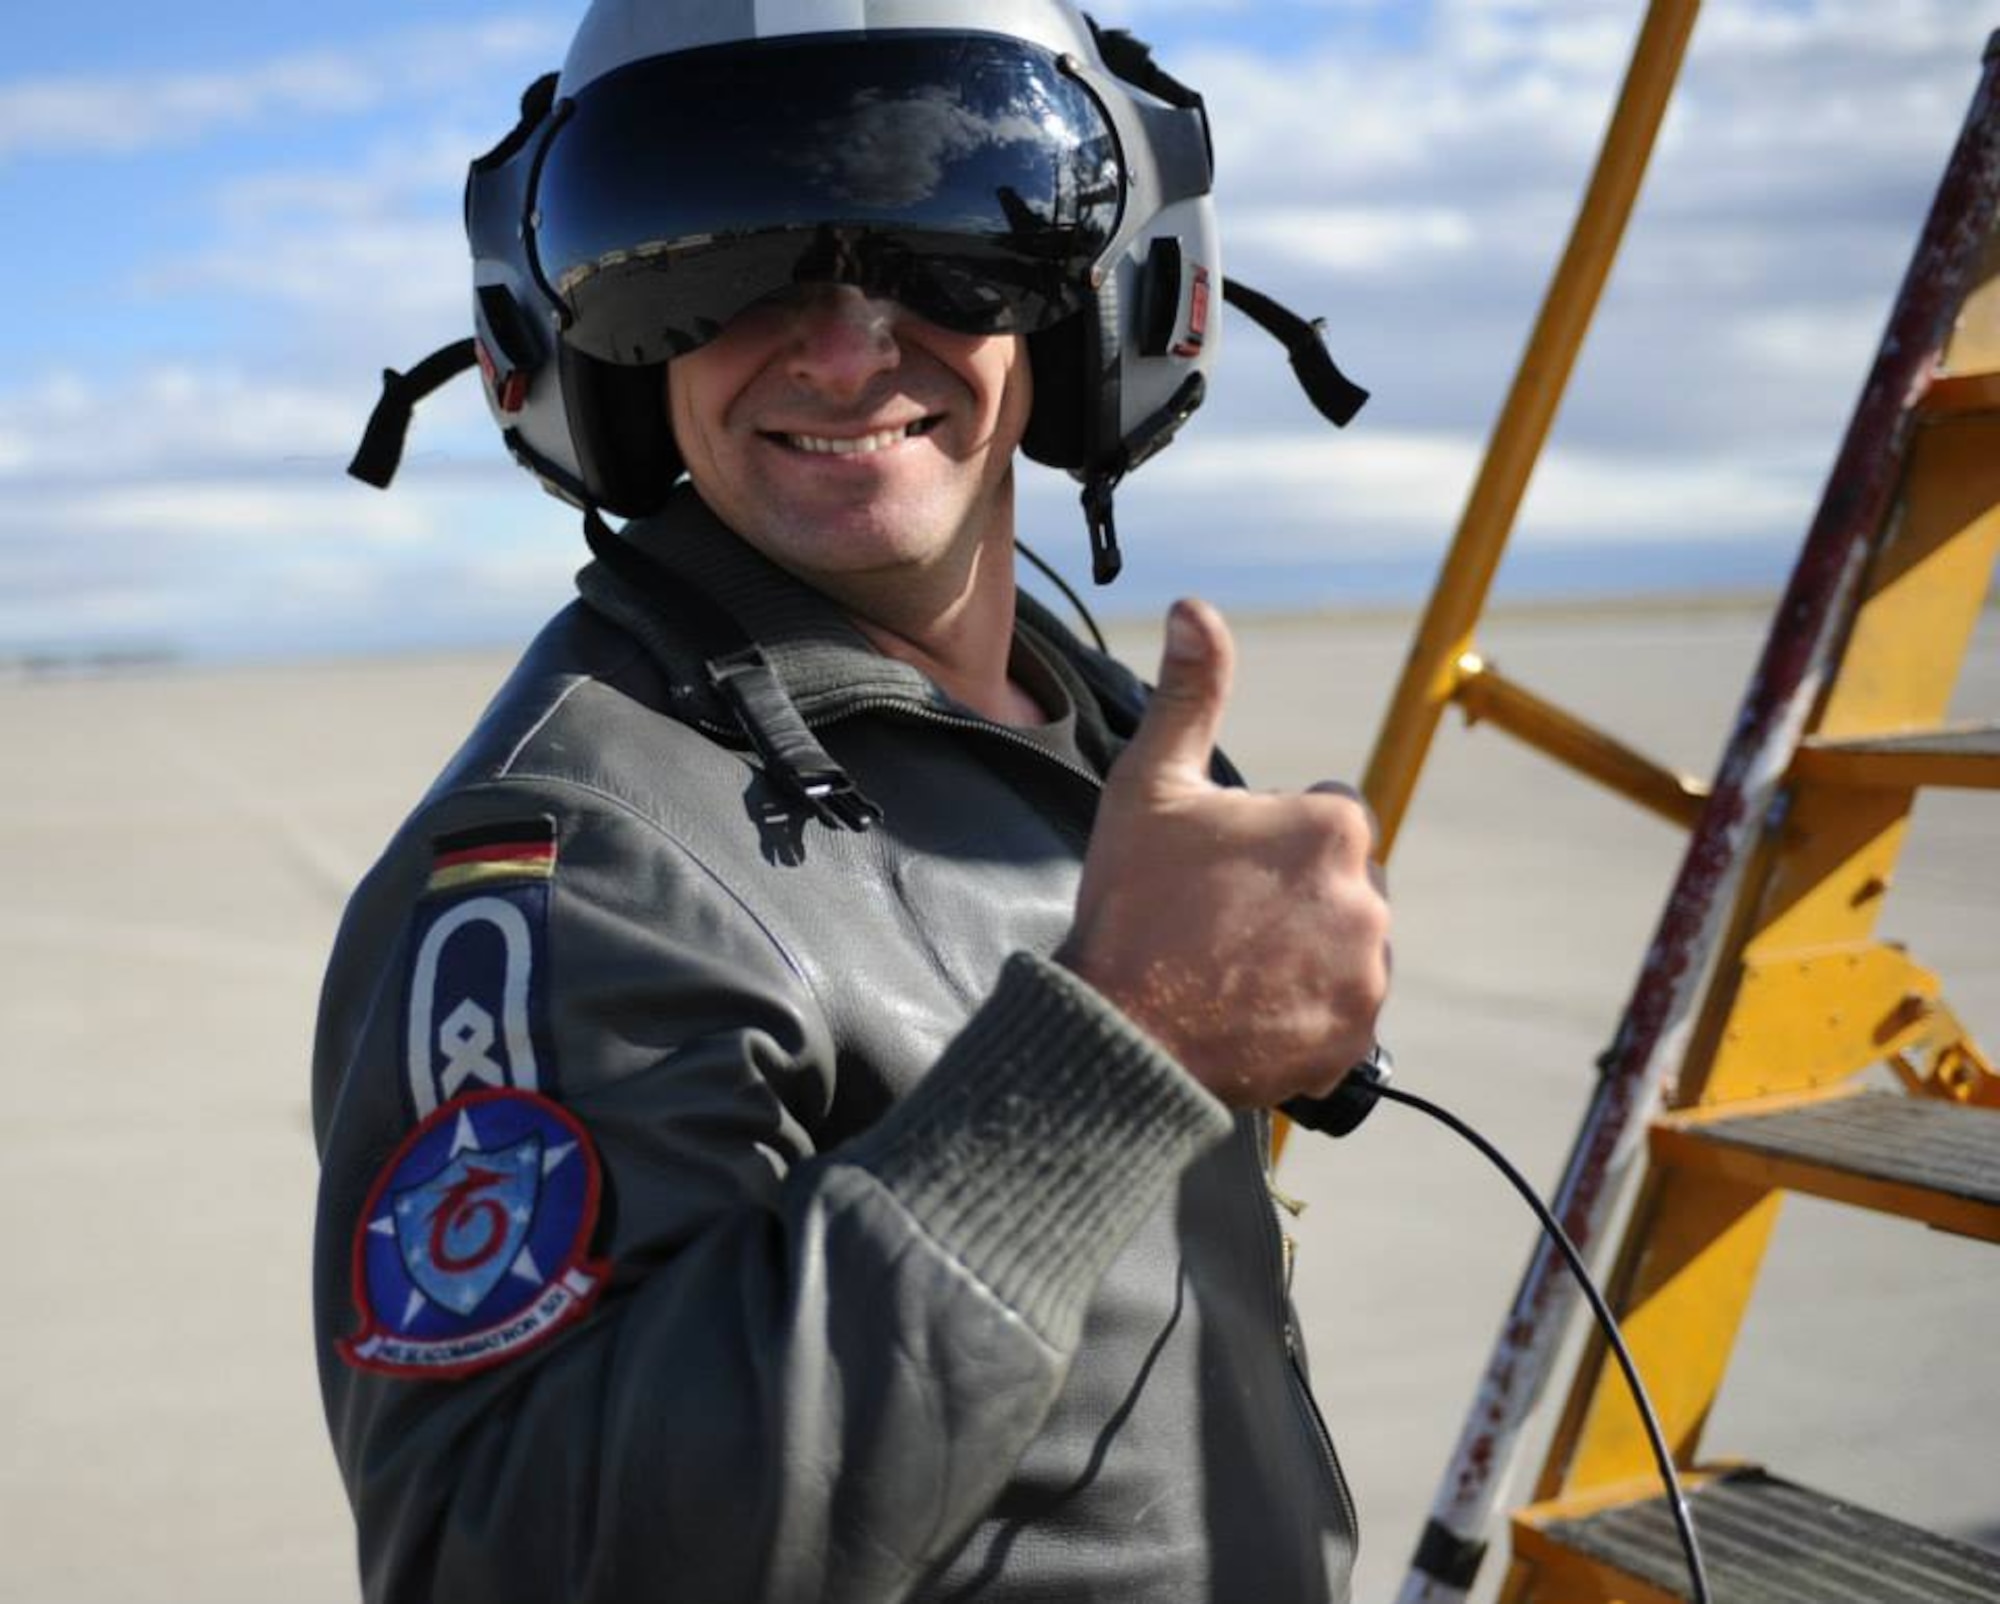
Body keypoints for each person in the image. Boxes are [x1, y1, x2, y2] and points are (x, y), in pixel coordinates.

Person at [313, 2, 1390, 1600]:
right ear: (578, 344)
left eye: (956, 234)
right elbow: (515, 1554)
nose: (839, 346)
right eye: (715, 253)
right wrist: (1120, 1056)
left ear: (1104, 297)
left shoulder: (1071, 717)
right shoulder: (579, 865)